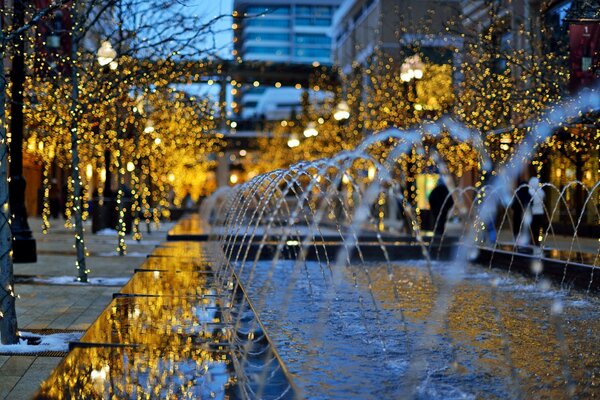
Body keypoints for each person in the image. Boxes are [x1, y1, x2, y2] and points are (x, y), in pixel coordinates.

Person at [528, 176, 545, 245]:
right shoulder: (541, 191)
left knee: (531, 228)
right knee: (538, 228)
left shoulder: (530, 191)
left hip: (532, 213)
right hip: (540, 213)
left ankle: (531, 241)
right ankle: (537, 241)